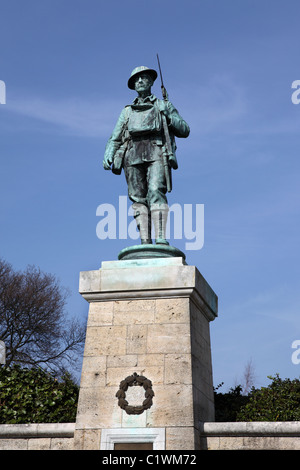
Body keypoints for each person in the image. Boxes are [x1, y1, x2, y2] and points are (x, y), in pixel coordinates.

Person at [103, 66, 190, 245]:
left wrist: (169, 116)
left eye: (143, 78)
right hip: (132, 154)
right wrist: (109, 152)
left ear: (151, 81)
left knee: (156, 191)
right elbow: (116, 136)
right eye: (136, 79)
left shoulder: (162, 105)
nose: (140, 81)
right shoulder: (127, 111)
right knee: (137, 197)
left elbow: (184, 130)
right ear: (133, 85)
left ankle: (160, 237)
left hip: (156, 150)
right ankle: (145, 241)